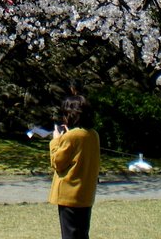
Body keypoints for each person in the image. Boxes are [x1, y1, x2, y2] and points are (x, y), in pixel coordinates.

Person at [49, 95, 100, 239]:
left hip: (69, 195)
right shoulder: (93, 135)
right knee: (82, 234)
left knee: (69, 234)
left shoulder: (71, 136)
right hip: (86, 194)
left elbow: (57, 162)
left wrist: (56, 140)